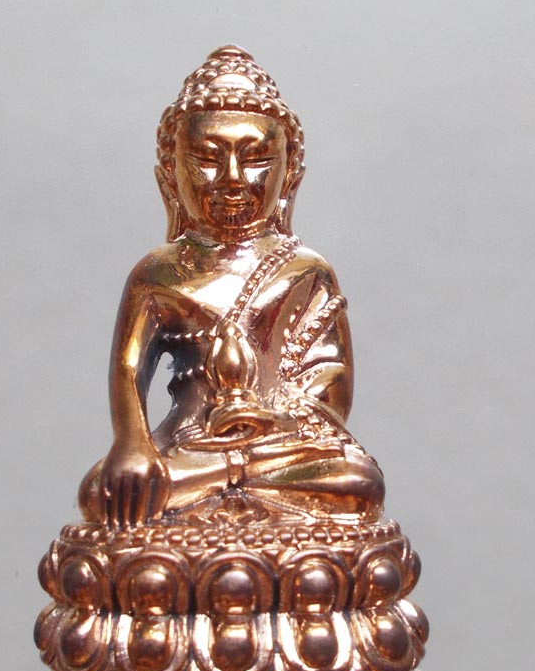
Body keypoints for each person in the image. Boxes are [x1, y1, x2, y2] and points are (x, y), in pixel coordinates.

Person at [78, 46, 385, 530]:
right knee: (103, 492)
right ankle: (223, 477)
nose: (233, 179)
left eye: (258, 158)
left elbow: (330, 384)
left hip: (280, 450)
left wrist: (272, 423)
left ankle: (229, 477)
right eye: (206, 158)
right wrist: (132, 445)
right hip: (189, 447)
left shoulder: (305, 271)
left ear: (290, 175)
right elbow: (128, 372)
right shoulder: (158, 273)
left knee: (356, 482)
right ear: (170, 174)